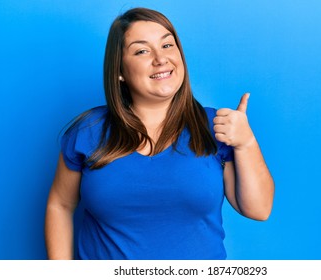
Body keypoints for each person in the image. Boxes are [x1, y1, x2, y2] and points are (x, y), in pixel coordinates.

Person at [45, 7, 274, 260]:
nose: (160, 58)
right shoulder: (89, 131)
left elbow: (258, 210)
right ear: (119, 70)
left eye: (167, 45)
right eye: (142, 50)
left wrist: (246, 143)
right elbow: (61, 205)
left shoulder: (216, 127)